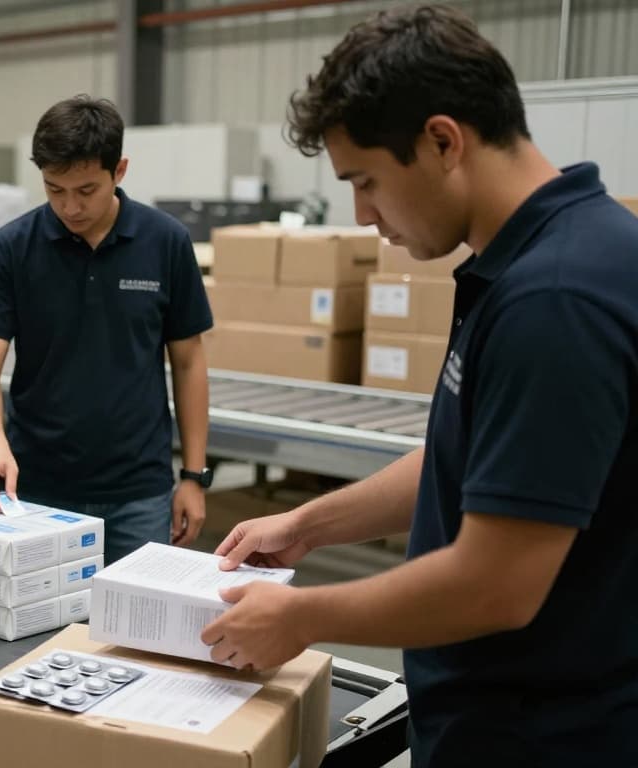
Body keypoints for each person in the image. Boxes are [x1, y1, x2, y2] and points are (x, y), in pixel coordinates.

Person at [201, 6, 638, 766]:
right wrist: (307, 526)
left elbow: (496, 585)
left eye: (366, 181)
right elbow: (475, 457)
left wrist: (302, 616)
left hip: (547, 738)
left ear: (443, 141)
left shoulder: (555, 299)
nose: (364, 217)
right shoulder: (546, 258)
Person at [0, 95, 214, 564]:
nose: (69, 207)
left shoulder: (166, 242)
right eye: (54, 189)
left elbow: (189, 361)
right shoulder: (12, 248)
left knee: (136, 634)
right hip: (34, 488)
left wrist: (194, 476)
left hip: (138, 492)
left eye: (85, 190)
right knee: (35, 635)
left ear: (119, 171)